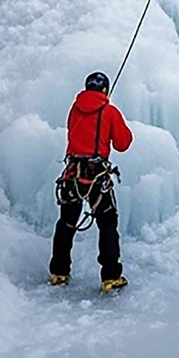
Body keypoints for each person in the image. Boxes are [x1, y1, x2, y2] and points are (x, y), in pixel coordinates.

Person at [49, 71, 133, 292]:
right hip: (96, 177)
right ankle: (110, 277)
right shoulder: (109, 111)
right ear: (105, 90)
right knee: (107, 225)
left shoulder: (74, 110)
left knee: (66, 224)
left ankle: (59, 272)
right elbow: (123, 143)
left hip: (72, 174)